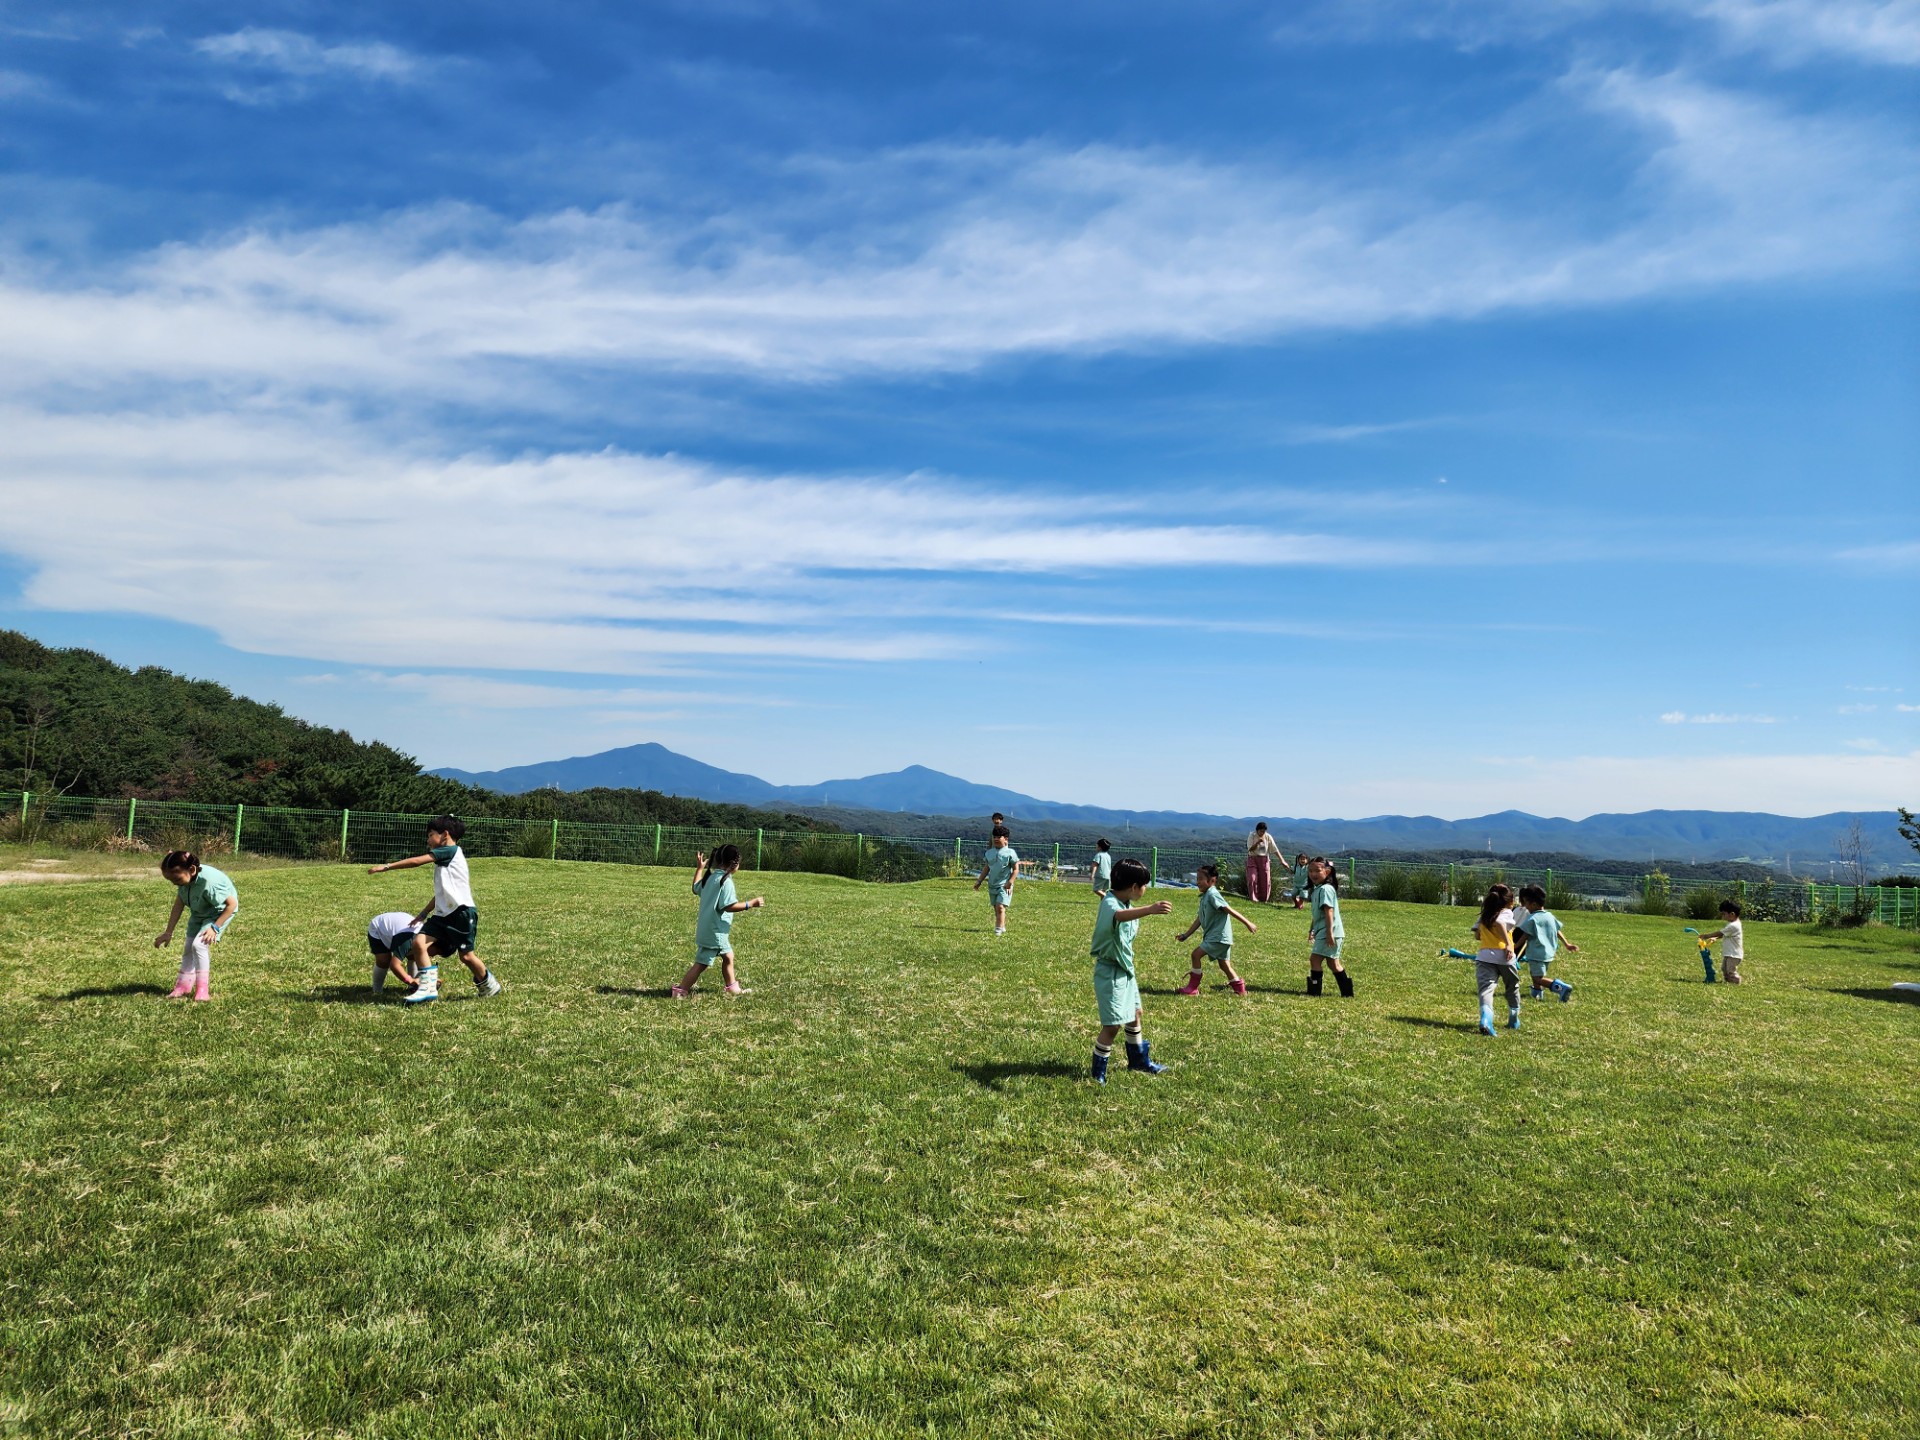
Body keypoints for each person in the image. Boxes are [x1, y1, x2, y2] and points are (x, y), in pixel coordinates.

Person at [367, 815, 502, 1005]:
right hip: (443, 916)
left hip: (461, 914)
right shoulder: (446, 859)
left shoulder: (450, 850)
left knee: (466, 956)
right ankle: (427, 987)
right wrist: (423, 914)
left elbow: (417, 861)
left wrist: (387, 867)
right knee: (419, 943)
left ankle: (489, 985)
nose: (428, 840)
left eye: (431, 835)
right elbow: (440, 895)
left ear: (445, 835)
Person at [1089, 858, 1175, 1082]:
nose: (1145, 889)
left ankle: (1138, 1061)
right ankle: (1098, 1073)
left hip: (1125, 970)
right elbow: (1118, 916)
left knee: (1135, 1014)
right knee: (1112, 1025)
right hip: (1110, 972)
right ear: (1134, 887)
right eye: (1144, 885)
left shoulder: (1124, 902)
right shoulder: (1110, 903)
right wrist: (1150, 909)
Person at [673, 845, 764, 997]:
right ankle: (681, 990)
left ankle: (732, 987)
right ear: (735, 864)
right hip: (716, 932)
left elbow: (695, 888)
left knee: (728, 957)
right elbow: (729, 906)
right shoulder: (725, 881)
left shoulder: (710, 877)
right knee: (701, 964)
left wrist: (699, 869)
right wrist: (750, 904)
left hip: (708, 929)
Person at [153, 851, 236, 1002]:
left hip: (218, 913)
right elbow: (178, 905)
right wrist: (168, 932)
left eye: (176, 879)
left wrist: (215, 928)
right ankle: (183, 986)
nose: (174, 883)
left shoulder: (209, 883)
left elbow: (231, 905)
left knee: (199, 945)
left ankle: (202, 990)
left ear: (192, 870)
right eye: (170, 880)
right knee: (188, 947)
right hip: (200, 912)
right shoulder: (184, 880)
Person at [1174, 863, 1256, 996]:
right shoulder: (1206, 896)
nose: (1198, 882)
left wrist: (1247, 923)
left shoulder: (1212, 894)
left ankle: (1192, 988)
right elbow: (1199, 919)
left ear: (1212, 880)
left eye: (1201, 879)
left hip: (1218, 937)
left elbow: (1229, 910)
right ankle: (1240, 990)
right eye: (1197, 879)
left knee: (1195, 955)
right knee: (1224, 965)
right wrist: (1186, 935)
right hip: (1221, 938)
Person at [1514, 884, 1577, 1002]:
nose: (1525, 906)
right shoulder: (1549, 916)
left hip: (1536, 954)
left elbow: (1525, 936)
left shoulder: (1532, 919)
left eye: (1526, 903)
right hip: (1548, 954)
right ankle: (1537, 995)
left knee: (1537, 978)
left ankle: (1561, 988)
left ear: (1533, 904)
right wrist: (1567, 944)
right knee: (1537, 975)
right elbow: (1557, 931)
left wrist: (1515, 946)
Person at [1473, 882, 1522, 1036]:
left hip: (1484, 956)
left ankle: (1486, 1019)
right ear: (1510, 901)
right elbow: (1499, 923)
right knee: (1512, 987)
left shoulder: (1485, 914)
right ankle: (1513, 1017)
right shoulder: (1506, 912)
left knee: (1486, 990)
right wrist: (1508, 944)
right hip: (1504, 956)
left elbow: (1477, 935)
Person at [1305, 856, 1353, 996]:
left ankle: (1314, 992)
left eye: (1317, 871)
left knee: (1315, 959)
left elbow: (1329, 911)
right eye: (1311, 871)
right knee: (1333, 964)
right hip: (1326, 931)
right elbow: (1317, 914)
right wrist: (1312, 929)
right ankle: (1347, 993)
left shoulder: (1325, 889)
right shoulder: (1318, 889)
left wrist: (1329, 934)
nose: (1313, 874)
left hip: (1329, 932)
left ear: (1327, 871)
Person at [974, 825, 1019, 935]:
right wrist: (979, 881)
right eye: (994, 837)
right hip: (992, 885)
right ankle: (1002, 925)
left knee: (1000, 907)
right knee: (996, 908)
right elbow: (986, 868)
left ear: (1006, 839)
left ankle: (998, 929)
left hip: (1004, 885)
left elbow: (1016, 869)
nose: (996, 839)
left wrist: (1010, 882)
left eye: (999, 837)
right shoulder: (989, 853)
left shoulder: (1010, 853)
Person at [366, 910, 423, 997]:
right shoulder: (406, 941)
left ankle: (413, 988)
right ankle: (376, 991)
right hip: (378, 927)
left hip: (398, 927)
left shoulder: (424, 938)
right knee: (384, 961)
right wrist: (410, 980)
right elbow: (394, 965)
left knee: (414, 956)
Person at [1701, 901, 1745, 984]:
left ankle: (1736, 981)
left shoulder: (1734, 926)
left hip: (1734, 954)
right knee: (1724, 968)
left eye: (1724, 914)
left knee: (1730, 970)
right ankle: (1729, 982)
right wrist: (1715, 938)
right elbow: (1724, 934)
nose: (1722, 917)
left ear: (1732, 914)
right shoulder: (1732, 924)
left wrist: (1707, 936)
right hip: (1729, 953)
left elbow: (1720, 933)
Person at [1245, 823, 1280, 903]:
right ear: (1257, 830)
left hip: (1264, 859)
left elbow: (1275, 849)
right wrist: (1257, 843)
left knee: (1265, 880)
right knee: (1252, 878)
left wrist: (1282, 860)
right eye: (1261, 831)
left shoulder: (1268, 837)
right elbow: (1250, 849)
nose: (1262, 833)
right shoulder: (1252, 835)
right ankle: (1253, 898)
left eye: (1264, 831)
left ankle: (1263, 899)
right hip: (1253, 858)